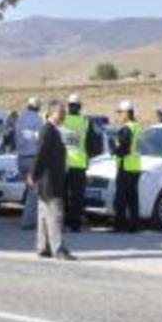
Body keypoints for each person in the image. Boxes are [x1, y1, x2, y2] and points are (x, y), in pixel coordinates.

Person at [29, 100, 76, 260]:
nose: (64, 116)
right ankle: (58, 249)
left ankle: (43, 247)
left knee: (43, 215)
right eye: (61, 112)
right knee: (55, 215)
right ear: (51, 113)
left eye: (64, 113)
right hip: (50, 181)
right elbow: (41, 155)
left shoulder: (53, 130)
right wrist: (33, 175)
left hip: (47, 180)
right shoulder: (48, 130)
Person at [60, 93, 102, 232]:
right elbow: (94, 144)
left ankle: (62, 222)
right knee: (77, 196)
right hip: (79, 164)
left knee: (62, 195)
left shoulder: (61, 120)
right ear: (80, 107)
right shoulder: (86, 122)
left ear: (68, 105)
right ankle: (75, 225)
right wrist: (88, 155)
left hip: (62, 164)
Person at [111, 100, 142, 233]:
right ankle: (134, 226)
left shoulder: (127, 128)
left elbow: (124, 147)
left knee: (121, 199)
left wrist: (114, 151)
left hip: (125, 166)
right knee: (133, 198)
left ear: (127, 113)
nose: (119, 115)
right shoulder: (138, 127)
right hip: (135, 167)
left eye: (120, 112)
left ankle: (120, 225)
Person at [15, 97, 43, 230]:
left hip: (21, 159)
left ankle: (31, 218)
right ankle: (27, 222)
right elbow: (40, 138)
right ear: (38, 107)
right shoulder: (38, 119)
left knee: (29, 189)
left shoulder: (20, 117)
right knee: (34, 191)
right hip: (32, 159)